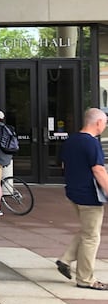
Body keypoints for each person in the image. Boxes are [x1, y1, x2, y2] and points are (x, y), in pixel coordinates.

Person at [55, 108, 108, 290]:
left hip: (73, 193)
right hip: (90, 196)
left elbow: (63, 164)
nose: (105, 126)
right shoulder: (92, 143)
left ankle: (65, 259)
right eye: (105, 122)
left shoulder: (71, 140)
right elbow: (98, 170)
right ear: (98, 122)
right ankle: (85, 279)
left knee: (87, 231)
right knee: (92, 237)